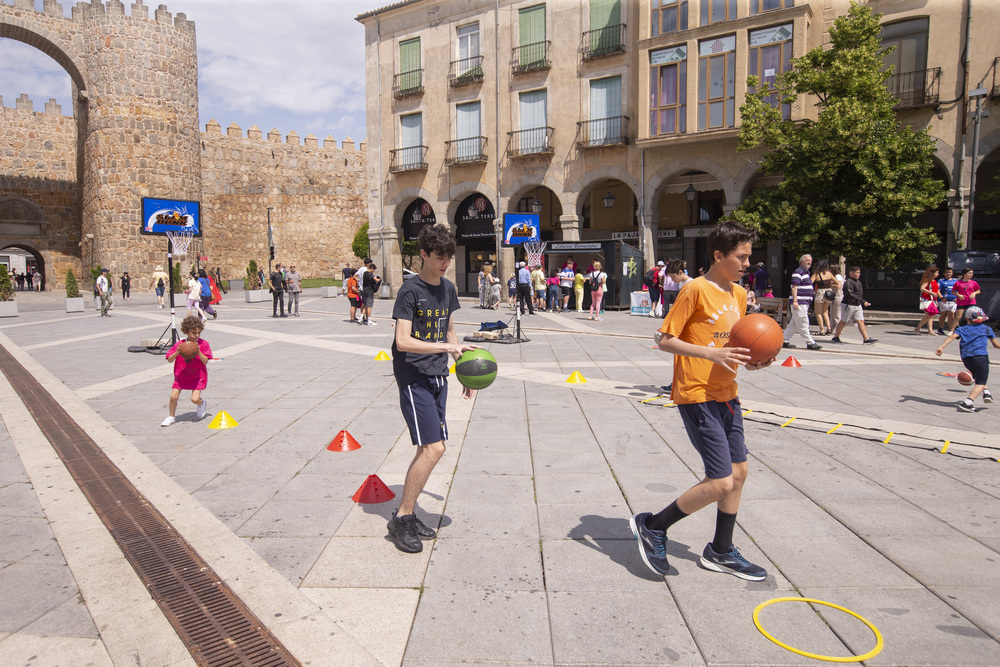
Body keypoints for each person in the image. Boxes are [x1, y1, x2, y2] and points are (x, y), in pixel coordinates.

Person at [631, 220, 774, 580]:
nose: (747, 263)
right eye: (741, 257)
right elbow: (664, 339)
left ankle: (721, 551)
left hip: (728, 393)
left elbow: (733, 342)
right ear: (718, 255)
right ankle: (654, 525)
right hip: (696, 394)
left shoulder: (738, 294)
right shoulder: (695, 289)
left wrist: (753, 360)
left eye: (748, 257)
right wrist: (711, 356)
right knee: (721, 480)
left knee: (739, 474)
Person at [387, 224, 477, 553]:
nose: (445, 263)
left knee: (426, 447)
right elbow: (402, 340)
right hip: (414, 377)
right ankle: (402, 518)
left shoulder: (448, 288)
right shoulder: (410, 291)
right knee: (435, 449)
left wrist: (463, 372)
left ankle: (406, 514)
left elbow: (450, 328)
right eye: (439, 257)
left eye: (449, 257)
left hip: (439, 375)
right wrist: (444, 347)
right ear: (423, 254)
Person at [935, 306, 997, 412]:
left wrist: (941, 347)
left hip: (967, 359)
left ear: (967, 318)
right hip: (981, 357)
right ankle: (968, 403)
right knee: (981, 382)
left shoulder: (961, 329)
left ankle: (986, 392)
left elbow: (951, 337)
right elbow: (996, 345)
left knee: (979, 375)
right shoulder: (986, 329)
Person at [160, 315, 212, 426]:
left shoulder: (203, 344)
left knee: (194, 399)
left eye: (199, 333)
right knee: (173, 396)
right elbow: (169, 360)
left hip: (198, 376)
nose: (197, 335)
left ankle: (202, 404)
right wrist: (176, 353)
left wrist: (198, 352)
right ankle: (171, 417)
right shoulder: (180, 345)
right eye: (194, 333)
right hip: (181, 375)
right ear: (185, 331)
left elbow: (205, 361)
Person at [782, 254, 822, 350]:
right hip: (799, 302)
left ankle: (784, 340)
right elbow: (794, 287)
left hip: (804, 302)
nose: (809, 262)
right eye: (807, 260)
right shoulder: (798, 272)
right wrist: (795, 300)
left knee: (795, 323)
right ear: (802, 261)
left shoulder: (805, 273)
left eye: (811, 261)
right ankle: (810, 342)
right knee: (803, 321)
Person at [830, 266, 877, 344]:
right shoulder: (848, 282)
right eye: (857, 272)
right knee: (843, 321)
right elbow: (850, 294)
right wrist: (862, 301)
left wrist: (860, 302)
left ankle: (866, 339)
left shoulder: (858, 282)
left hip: (857, 305)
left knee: (861, 321)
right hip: (849, 305)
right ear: (851, 273)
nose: (858, 274)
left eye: (859, 272)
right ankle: (836, 337)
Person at [811, 258, 838, 336]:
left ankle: (822, 329)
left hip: (820, 293)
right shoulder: (829, 273)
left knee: (818, 312)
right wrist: (830, 284)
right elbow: (836, 282)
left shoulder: (817, 274)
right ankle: (829, 328)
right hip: (828, 293)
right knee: (825, 311)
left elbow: (810, 282)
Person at [952, 268, 981, 334]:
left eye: (972, 273)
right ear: (964, 274)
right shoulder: (958, 282)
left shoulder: (974, 282)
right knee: (958, 316)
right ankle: (952, 330)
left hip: (971, 301)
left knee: (971, 316)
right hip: (961, 302)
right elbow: (953, 291)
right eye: (969, 273)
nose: (971, 275)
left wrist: (974, 293)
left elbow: (978, 290)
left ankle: (971, 330)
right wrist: (958, 295)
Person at [913, 265, 940, 335]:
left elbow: (936, 291)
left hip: (932, 300)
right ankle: (918, 328)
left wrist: (936, 300)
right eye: (937, 273)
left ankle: (930, 331)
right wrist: (932, 293)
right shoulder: (928, 280)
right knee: (928, 316)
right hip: (928, 300)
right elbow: (922, 288)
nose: (938, 274)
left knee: (931, 316)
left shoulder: (934, 281)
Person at [936, 267, 958, 335]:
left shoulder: (955, 281)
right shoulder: (941, 281)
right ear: (944, 273)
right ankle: (940, 328)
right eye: (947, 272)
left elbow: (959, 290)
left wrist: (958, 297)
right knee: (943, 314)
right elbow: (937, 290)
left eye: (950, 272)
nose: (948, 274)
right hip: (943, 301)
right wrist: (942, 298)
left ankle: (951, 329)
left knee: (951, 314)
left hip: (953, 300)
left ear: (952, 273)